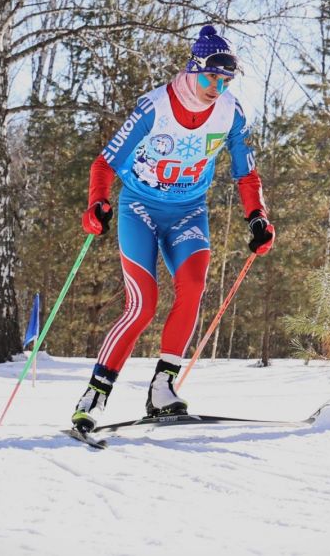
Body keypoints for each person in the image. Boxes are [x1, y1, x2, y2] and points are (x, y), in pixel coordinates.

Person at [71, 25, 275, 433]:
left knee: (194, 288)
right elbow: (104, 164)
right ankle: (94, 395)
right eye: (210, 77)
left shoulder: (230, 112)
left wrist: (258, 217)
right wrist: (97, 202)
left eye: (225, 79)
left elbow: (246, 174)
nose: (216, 86)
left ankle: (162, 388)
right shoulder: (155, 107)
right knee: (142, 304)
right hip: (140, 209)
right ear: (193, 69)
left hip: (188, 211)